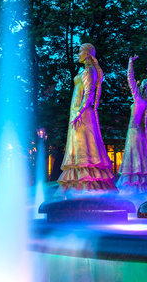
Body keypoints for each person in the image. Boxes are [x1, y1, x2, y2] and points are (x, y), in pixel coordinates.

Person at [57, 43, 117, 193]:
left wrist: (79, 113)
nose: (78, 54)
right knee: (79, 149)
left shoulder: (89, 71)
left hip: (82, 115)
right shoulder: (87, 70)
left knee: (85, 148)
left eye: (80, 51)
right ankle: (79, 184)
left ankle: (87, 185)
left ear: (88, 54)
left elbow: (89, 94)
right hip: (78, 113)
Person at [117, 55, 147, 194]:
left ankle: (133, 185)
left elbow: (130, 79)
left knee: (133, 154)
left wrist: (130, 63)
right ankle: (144, 183)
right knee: (143, 155)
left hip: (134, 130)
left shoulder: (138, 98)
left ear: (142, 86)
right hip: (142, 130)